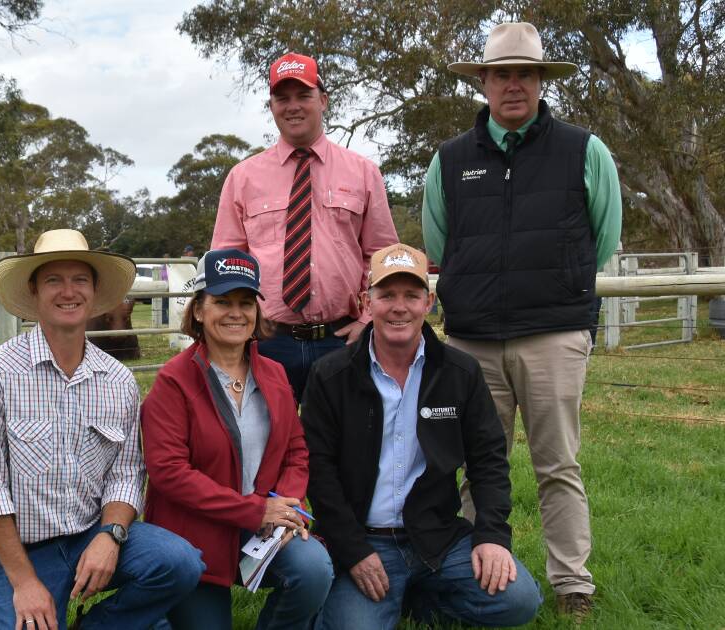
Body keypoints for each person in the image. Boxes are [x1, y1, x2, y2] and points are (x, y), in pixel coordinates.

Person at [421, 22, 623, 619]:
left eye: (525, 73)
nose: (514, 84)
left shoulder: (585, 150)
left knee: (557, 463)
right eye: (502, 73)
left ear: (540, 81)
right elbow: (440, 241)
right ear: (482, 82)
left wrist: (560, 289)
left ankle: (572, 583)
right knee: (468, 464)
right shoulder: (450, 160)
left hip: (554, 334)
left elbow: (602, 237)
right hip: (473, 339)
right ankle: (461, 575)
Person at [0, 229, 204, 630]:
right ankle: (3, 605)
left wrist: (110, 535)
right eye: (54, 280)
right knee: (27, 616)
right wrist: (24, 583)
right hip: (25, 549)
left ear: (93, 292)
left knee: (179, 563)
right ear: (35, 292)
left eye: (80, 280)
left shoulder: (119, 381)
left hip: (92, 533)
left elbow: (127, 474)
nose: (67, 291)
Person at [301, 243, 541, 629]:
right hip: (365, 540)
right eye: (387, 295)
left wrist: (492, 536)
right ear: (367, 301)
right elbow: (319, 470)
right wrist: (353, 551)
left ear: (428, 302)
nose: (400, 307)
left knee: (519, 601)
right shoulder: (331, 376)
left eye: (411, 295)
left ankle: (415, 597)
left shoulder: (460, 372)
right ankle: (381, 596)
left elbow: (488, 460)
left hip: (439, 538)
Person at [141, 249, 334, 629]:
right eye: (222, 302)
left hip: (261, 523)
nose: (236, 313)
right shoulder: (173, 381)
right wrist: (253, 510)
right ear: (198, 310)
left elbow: (296, 451)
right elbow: (168, 472)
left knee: (314, 571)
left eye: (246, 303)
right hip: (194, 533)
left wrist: (284, 511)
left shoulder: (275, 374)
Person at [212, 52, 398, 403]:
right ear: (271, 106)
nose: (292, 106)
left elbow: (382, 257)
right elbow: (227, 264)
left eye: (304, 96)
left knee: (342, 450)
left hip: (340, 338)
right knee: (265, 449)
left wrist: (367, 320)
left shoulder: (363, 173)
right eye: (283, 98)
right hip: (266, 341)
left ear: (323, 100)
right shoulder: (243, 177)